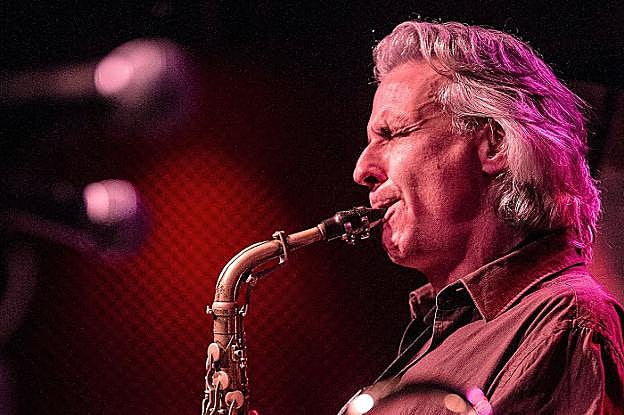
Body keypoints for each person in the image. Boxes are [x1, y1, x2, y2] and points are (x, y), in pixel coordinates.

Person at [345, 20, 624, 414]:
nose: (362, 170)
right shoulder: (444, 334)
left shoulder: (566, 324)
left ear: (495, 144)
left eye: (391, 134)